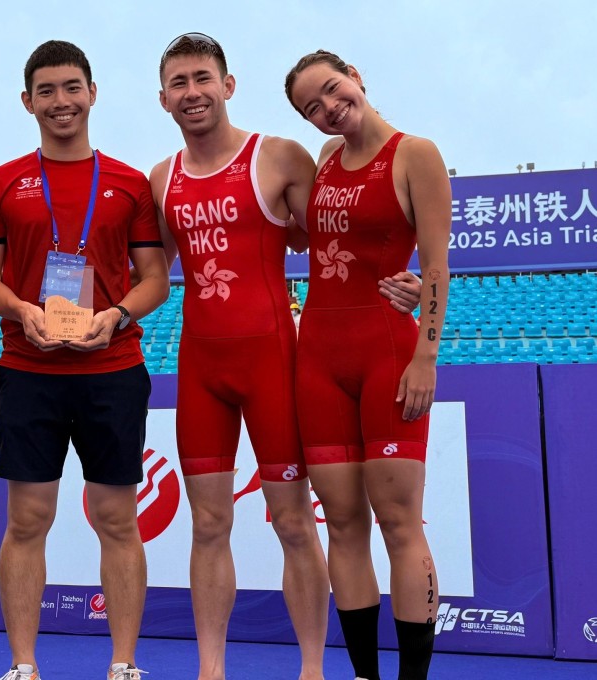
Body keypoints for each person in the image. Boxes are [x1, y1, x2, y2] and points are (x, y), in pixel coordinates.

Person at [151, 34, 422, 680]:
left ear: (227, 84)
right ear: (163, 98)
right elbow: (149, 276)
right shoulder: (160, 179)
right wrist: (86, 312)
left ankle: (312, 670)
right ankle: (210, 671)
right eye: (179, 82)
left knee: (295, 522)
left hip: (274, 363)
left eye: (203, 78)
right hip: (201, 368)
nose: (192, 92)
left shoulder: (279, 156)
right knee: (207, 523)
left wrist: (399, 279)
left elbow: (334, 235)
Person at [0, 40, 169, 680]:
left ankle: (124, 663)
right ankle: (23, 664)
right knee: (28, 519)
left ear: (93, 93)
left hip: (112, 371)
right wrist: (20, 310)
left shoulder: (129, 183)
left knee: (117, 518)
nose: (61, 101)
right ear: (27, 101)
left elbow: (155, 279)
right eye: (47, 91)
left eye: (72, 87)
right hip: (29, 370)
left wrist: (118, 316)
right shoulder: (2, 182)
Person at [285, 50, 451, 680]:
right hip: (318, 357)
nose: (329, 109)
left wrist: (425, 356)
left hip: (388, 354)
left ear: (355, 77)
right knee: (343, 523)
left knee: (399, 523)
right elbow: (307, 235)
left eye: (332, 90)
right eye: (312, 108)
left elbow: (435, 267)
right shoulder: (327, 158)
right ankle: (363, 675)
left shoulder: (416, 154)